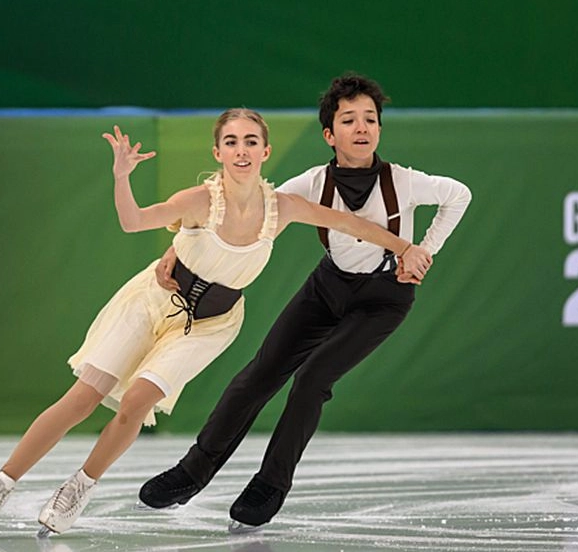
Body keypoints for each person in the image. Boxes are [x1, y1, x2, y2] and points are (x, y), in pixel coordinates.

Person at [0, 108, 429, 537]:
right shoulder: (200, 199)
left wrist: (406, 248)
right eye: (231, 142)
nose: (241, 150)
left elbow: (352, 225)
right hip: (153, 300)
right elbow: (134, 221)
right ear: (217, 151)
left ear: (265, 150)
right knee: (83, 396)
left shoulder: (282, 207)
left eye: (249, 141)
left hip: (211, 324)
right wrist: (122, 177)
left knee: (135, 402)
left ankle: (79, 486)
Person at [139, 72, 472, 532]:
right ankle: (194, 469)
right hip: (327, 288)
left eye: (370, 119)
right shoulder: (311, 183)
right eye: (349, 119)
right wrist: (177, 249)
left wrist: (423, 252)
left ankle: (270, 484)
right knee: (259, 374)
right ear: (329, 134)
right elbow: (242, 212)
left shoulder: (405, 181)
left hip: (383, 299)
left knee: (313, 378)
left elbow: (459, 194)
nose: (362, 128)